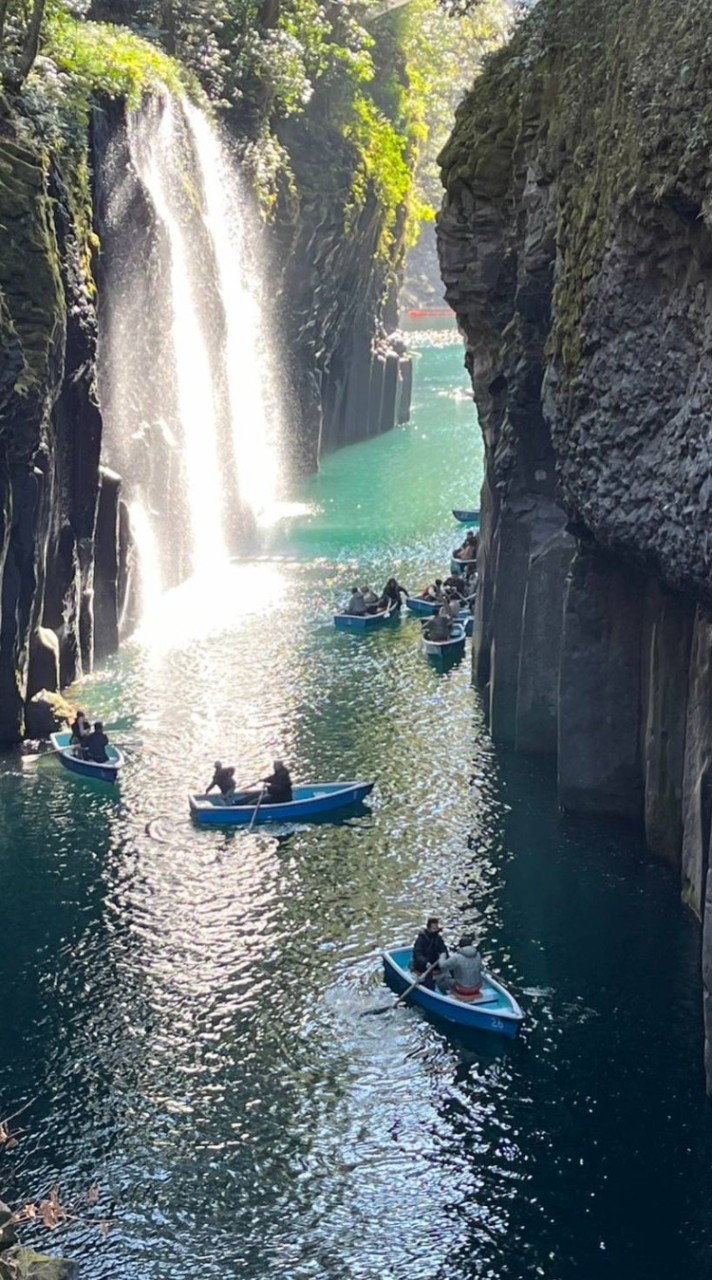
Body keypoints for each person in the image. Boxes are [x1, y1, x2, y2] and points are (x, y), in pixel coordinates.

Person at [435, 935, 484, 1000]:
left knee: (440, 980)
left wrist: (442, 956)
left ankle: (447, 995)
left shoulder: (456, 957)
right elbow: (481, 968)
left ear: (460, 946)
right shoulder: (478, 954)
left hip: (462, 989)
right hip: (477, 987)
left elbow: (442, 965)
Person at [412, 917, 448, 989]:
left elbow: (443, 949)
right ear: (428, 928)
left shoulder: (438, 938)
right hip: (424, 964)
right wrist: (425, 962)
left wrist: (443, 955)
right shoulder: (421, 939)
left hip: (435, 962)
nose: (436, 930)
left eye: (436, 928)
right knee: (428, 977)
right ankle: (429, 988)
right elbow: (417, 954)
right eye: (434, 928)